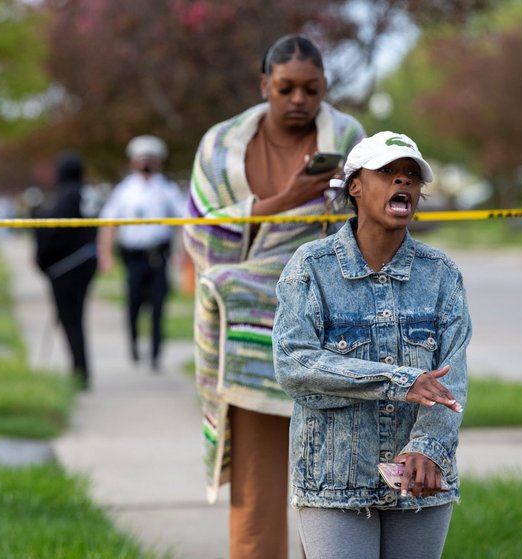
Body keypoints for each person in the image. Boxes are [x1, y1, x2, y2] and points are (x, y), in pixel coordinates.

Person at [182, 34, 365, 558]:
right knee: (258, 488)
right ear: (265, 85)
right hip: (248, 337)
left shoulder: (349, 136)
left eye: (311, 88)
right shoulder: (219, 145)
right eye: (285, 88)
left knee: (333, 480)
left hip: (331, 332)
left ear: (325, 86)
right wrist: (289, 200)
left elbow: (373, 227)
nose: (299, 100)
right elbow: (199, 236)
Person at [273, 131, 472, 559]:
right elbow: (294, 364)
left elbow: (452, 375)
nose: (403, 183)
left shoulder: (442, 275)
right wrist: (398, 380)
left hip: (421, 476)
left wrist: (429, 446)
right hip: (332, 479)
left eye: (411, 176)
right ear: (356, 186)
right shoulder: (310, 268)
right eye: (388, 172)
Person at [97, 135, 186, 371]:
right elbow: (109, 223)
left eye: (150, 158)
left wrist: (184, 254)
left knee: (158, 307)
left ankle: (156, 354)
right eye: (141, 158)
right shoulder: (125, 190)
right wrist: (105, 255)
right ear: (133, 162)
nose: (146, 162)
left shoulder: (167, 189)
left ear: (158, 162)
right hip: (133, 258)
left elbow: (185, 221)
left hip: (158, 257)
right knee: (133, 305)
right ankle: (134, 345)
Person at [34, 152, 98, 389]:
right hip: (83, 264)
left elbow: (52, 231)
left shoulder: (68, 196)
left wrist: (42, 260)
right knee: (75, 319)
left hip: (67, 268)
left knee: (71, 321)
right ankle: (81, 370)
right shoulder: (85, 195)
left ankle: (80, 372)